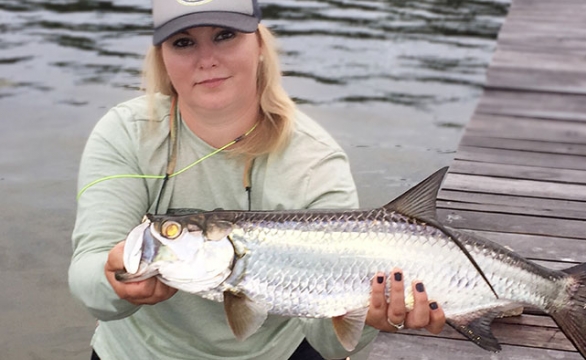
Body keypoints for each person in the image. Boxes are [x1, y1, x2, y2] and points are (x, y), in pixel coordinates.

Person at [68, 0, 446, 359]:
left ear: (260, 44)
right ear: (162, 60)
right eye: (183, 42)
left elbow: (328, 343)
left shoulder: (315, 159)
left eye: (225, 35)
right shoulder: (123, 133)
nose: (207, 60)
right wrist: (114, 280)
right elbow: (88, 281)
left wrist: (372, 316)